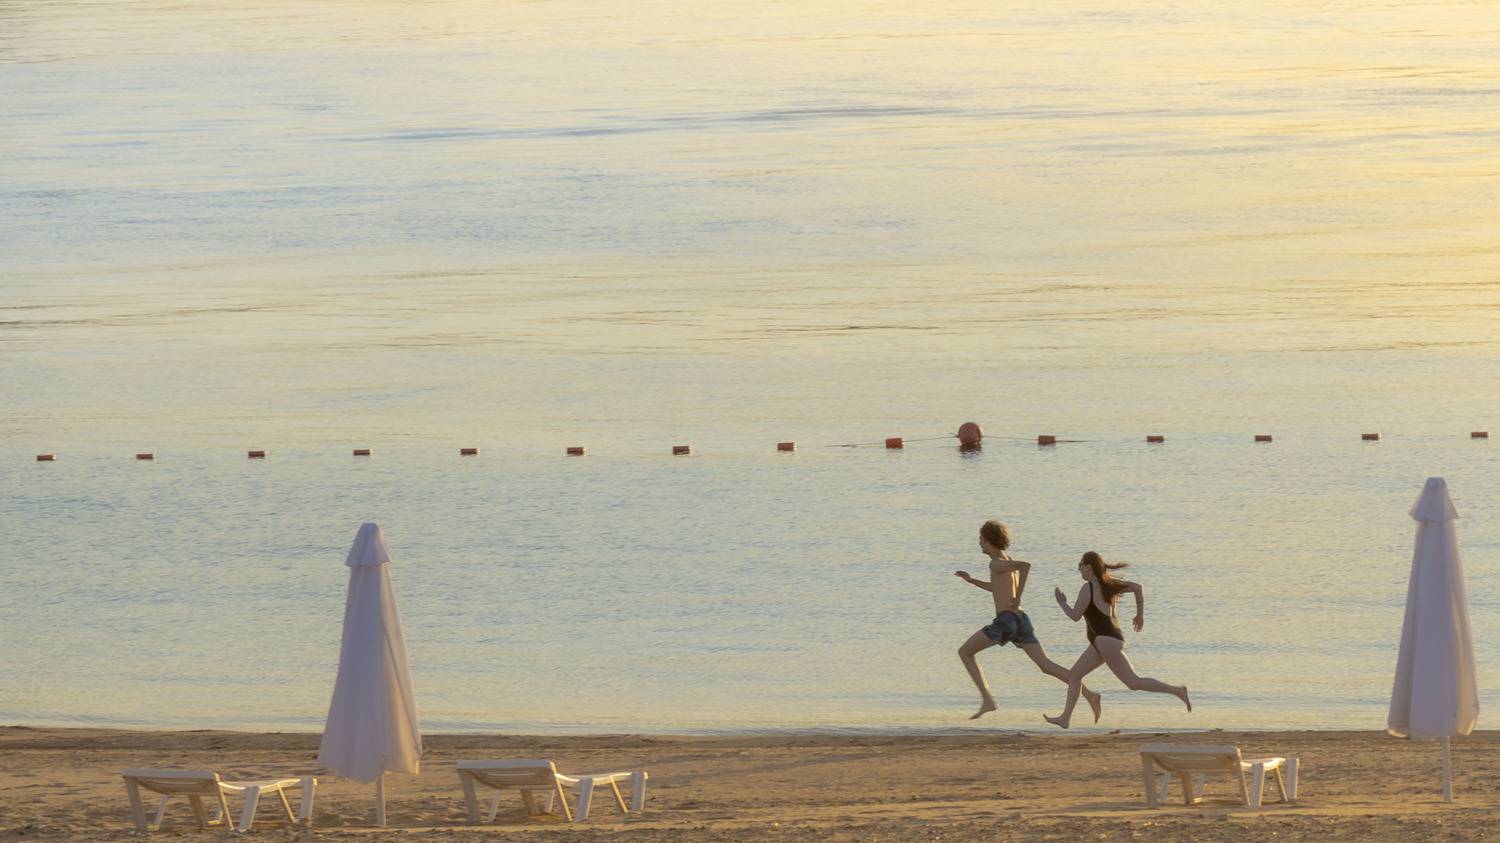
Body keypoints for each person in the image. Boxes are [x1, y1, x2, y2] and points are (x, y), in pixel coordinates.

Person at [955, 520, 1102, 721]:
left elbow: (1025, 566)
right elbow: (997, 588)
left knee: (964, 652)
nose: (979, 543)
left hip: (1006, 621)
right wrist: (972, 581)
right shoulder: (1004, 560)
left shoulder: (995, 562)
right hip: (1020, 619)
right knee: (1046, 665)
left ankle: (988, 700)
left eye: (981, 539)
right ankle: (1090, 695)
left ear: (989, 541)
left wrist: (1018, 597)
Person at [1043, 551, 1190, 728]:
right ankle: (1066, 718)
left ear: (1088, 567)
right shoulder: (1108, 584)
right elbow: (1137, 588)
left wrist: (1061, 603)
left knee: (1133, 682)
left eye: (1080, 566)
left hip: (1104, 641)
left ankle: (1177, 691)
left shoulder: (1088, 588)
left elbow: (1075, 616)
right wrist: (1140, 615)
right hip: (1106, 640)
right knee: (1075, 676)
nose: (1079, 569)